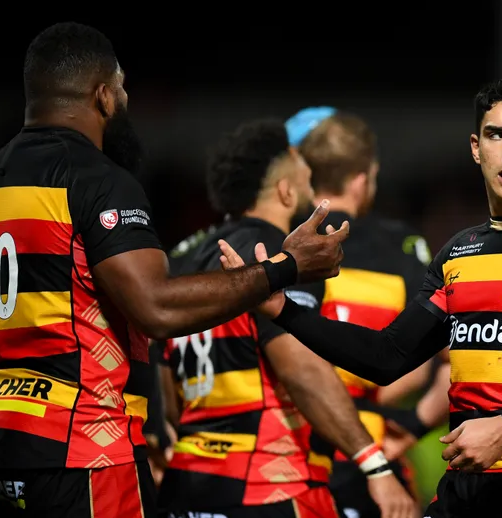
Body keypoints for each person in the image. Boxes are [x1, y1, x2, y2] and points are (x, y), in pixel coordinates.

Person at [221, 76, 502, 518]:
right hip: (468, 487)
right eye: (496, 135)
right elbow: (386, 356)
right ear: (476, 148)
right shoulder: (459, 252)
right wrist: (283, 309)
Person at [0, 22, 346, 518]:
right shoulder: (99, 180)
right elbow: (156, 308)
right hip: (86, 449)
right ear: (102, 95)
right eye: (122, 88)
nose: (126, 99)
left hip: (13, 440)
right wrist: (285, 268)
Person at [156, 119, 416, 518]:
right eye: (307, 180)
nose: (313, 190)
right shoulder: (277, 257)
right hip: (269, 486)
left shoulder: (185, 258)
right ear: (285, 190)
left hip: (188, 484)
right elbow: (300, 366)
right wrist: (374, 464)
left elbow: (164, 381)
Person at [286, 107, 451, 518]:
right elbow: (448, 354)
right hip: (375, 452)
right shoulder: (403, 247)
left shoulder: (279, 239)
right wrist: (412, 424)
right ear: (362, 178)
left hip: (290, 455)